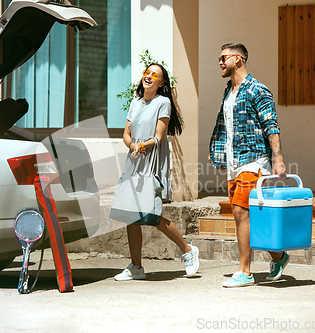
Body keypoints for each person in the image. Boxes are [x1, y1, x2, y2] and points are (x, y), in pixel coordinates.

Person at [208, 43, 289, 287]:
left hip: (253, 161)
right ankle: (279, 255)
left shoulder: (258, 90)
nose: (220, 62)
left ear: (238, 59)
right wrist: (222, 158)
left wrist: (278, 159)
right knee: (246, 215)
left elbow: (271, 126)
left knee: (241, 213)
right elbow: (227, 129)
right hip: (234, 161)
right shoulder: (228, 92)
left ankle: (245, 271)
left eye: (224, 57)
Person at [113, 63, 199, 281]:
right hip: (134, 162)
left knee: (152, 215)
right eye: (146, 73)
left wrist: (143, 145)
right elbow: (126, 133)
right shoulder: (135, 103)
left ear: (161, 83)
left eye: (154, 75)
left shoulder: (163, 102)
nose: (148, 76)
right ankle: (136, 267)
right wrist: (132, 145)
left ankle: (188, 251)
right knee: (131, 216)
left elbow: (159, 136)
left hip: (151, 163)